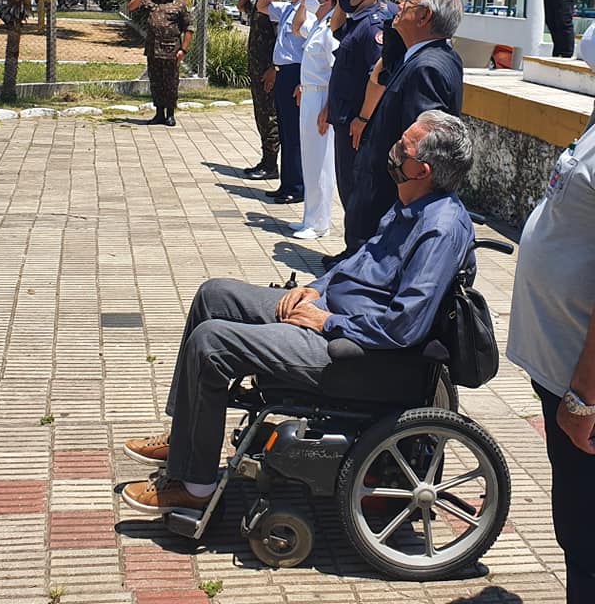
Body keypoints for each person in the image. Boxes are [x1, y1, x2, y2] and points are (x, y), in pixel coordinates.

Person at [119, 111, 475, 514]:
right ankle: (184, 439)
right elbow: (357, 263)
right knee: (213, 295)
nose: (393, 149)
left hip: (353, 350)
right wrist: (314, 289)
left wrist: (327, 321)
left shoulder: (440, 228)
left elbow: (404, 325)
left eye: (403, 148)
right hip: (331, 313)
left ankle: (195, 488)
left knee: (212, 343)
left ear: (421, 169)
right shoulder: (411, 202)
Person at [507, 40, 595, 604]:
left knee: (587, 532)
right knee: (577, 525)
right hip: (561, 362)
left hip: (582, 380)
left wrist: (585, 396)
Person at [325, 0, 463, 269]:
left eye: (408, 3)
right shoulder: (422, 56)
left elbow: (419, 147)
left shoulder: (427, 68)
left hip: (385, 197)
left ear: (425, 17)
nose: (398, 7)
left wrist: (399, 209)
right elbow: (387, 63)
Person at [317, 0, 385, 216]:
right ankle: (352, 247)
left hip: (356, 122)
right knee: (346, 186)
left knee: (355, 188)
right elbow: (335, 30)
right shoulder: (356, 21)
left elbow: (378, 77)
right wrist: (341, 3)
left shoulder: (371, 27)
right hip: (344, 116)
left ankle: (357, 248)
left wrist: (363, 118)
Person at [255, 0, 318, 204]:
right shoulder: (288, 7)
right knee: (285, 130)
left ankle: (298, 186)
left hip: (297, 73)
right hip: (283, 72)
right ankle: (287, 183)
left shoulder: (309, 10)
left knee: (294, 134)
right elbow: (262, 5)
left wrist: (302, 80)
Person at [289, 0, 342, 239]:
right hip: (309, 93)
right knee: (309, 158)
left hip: (322, 96)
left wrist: (327, 108)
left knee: (321, 161)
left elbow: (335, 72)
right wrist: (303, 1)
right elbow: (295, 27)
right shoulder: (319, 25)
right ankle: (309, 217)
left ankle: (320, 223)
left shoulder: (331, 29)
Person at [128, 0, 193, 127]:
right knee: (156, 82)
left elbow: (189, 28)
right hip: (153, 50)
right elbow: (131, 7)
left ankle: (170, 114)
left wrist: (183, 49)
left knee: (170, 82)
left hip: (171, 50)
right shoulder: (150, 2)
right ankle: (159, 113)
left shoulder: (179, 5)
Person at [237, 0, 282, 180]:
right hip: (256, 67)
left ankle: (271, 165)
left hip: (268, 70)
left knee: (269, 117)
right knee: (261, 115)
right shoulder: (261, 3)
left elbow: (283, 40)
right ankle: (266, 160)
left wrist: (274, 69)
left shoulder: (277, 4)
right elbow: (240, 5)